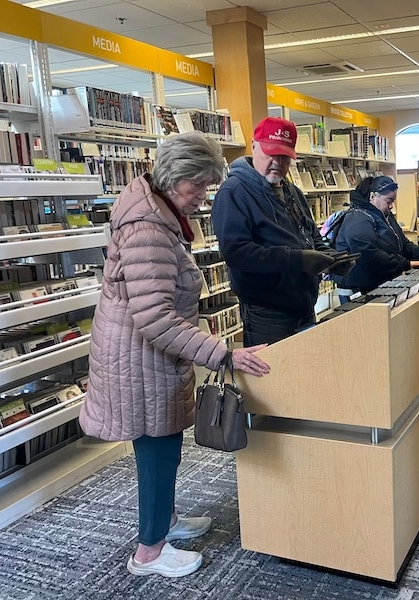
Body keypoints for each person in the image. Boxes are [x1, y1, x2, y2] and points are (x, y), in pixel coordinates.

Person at [79, 132, 271, 579]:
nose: (203, 196)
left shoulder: (158, 212)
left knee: (164, 446)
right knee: (156, 452)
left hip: (146, 359)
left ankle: (164, 523)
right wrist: (223, 354)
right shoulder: (148, 229)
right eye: (197, 185)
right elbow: (155, 319)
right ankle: (149, 552)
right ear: (173, 177)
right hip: (139, 362)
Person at [212, 117, 353, 345]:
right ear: (254, 146)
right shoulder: (234, 192)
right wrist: (298, 260)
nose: (277, 162)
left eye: (285, 156)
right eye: (271, 153)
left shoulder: (292, 191)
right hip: (266, 314)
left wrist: (331, 258)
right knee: (273, 369)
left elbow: (311, 236)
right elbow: (236, 252)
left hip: (304, 306)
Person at [333, 175, 419, 303]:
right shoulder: (357, 219)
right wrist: (405, 264)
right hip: (358, 287)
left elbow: (402, 242)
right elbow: (369, 254)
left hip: (377, 282)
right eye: (388, 201)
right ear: (373, 197)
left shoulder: (385, 216)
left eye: (393, 201)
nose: (391, 206)